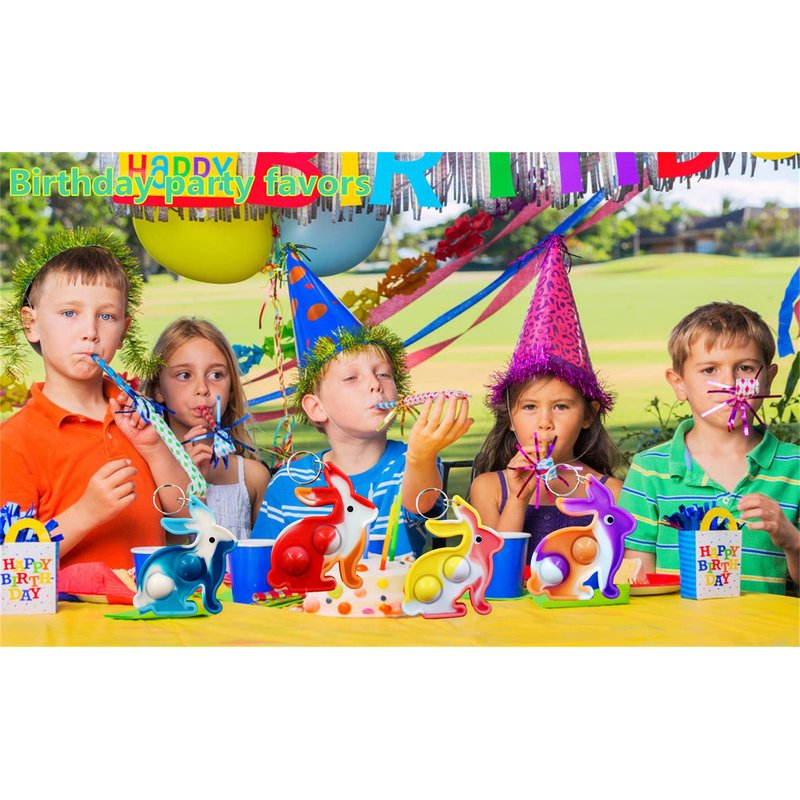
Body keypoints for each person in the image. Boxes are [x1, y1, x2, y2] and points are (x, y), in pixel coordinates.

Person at [251, 253, 472, 556]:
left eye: (384, 374)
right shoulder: (290, 481)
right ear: (316, 408)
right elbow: (261, 561)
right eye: (351, 378)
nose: (375, 384)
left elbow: (419, 501)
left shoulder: (409, 463)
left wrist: (422, 453)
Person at [0, 229, 192, 569]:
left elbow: (190, 519)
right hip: (68, 606)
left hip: (153, 600)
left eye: (106, 316)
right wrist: (86, 513)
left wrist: (154, 449)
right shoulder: (14, 442)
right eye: (69, 313)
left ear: (123, 332)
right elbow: (12, 565)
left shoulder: (139, 417)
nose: (90, 332)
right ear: (31, 324)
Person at [620, 301, 800, 594]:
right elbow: (637, 580)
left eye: (745, 368)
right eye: (709, 370)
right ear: (679, 384)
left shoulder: (795, 467)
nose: (729, 384)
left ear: (768, 379)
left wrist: (792, 540)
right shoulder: (650, 470)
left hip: (765, 625)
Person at [469, 235, 624, 560]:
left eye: (561, 406)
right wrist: (517, 499)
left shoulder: (611, 492)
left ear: (588, 414)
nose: (544, 422)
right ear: (510, 417)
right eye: (529, 407)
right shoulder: (488, 488)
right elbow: (495, 575)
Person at [141, 317, 270, 539]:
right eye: (184, 375)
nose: (202, 388)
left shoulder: (253, 477)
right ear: (157, 390)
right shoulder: (147, 474)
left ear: (231, 389)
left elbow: (266, 555)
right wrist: (184, 483)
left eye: (216, 375)